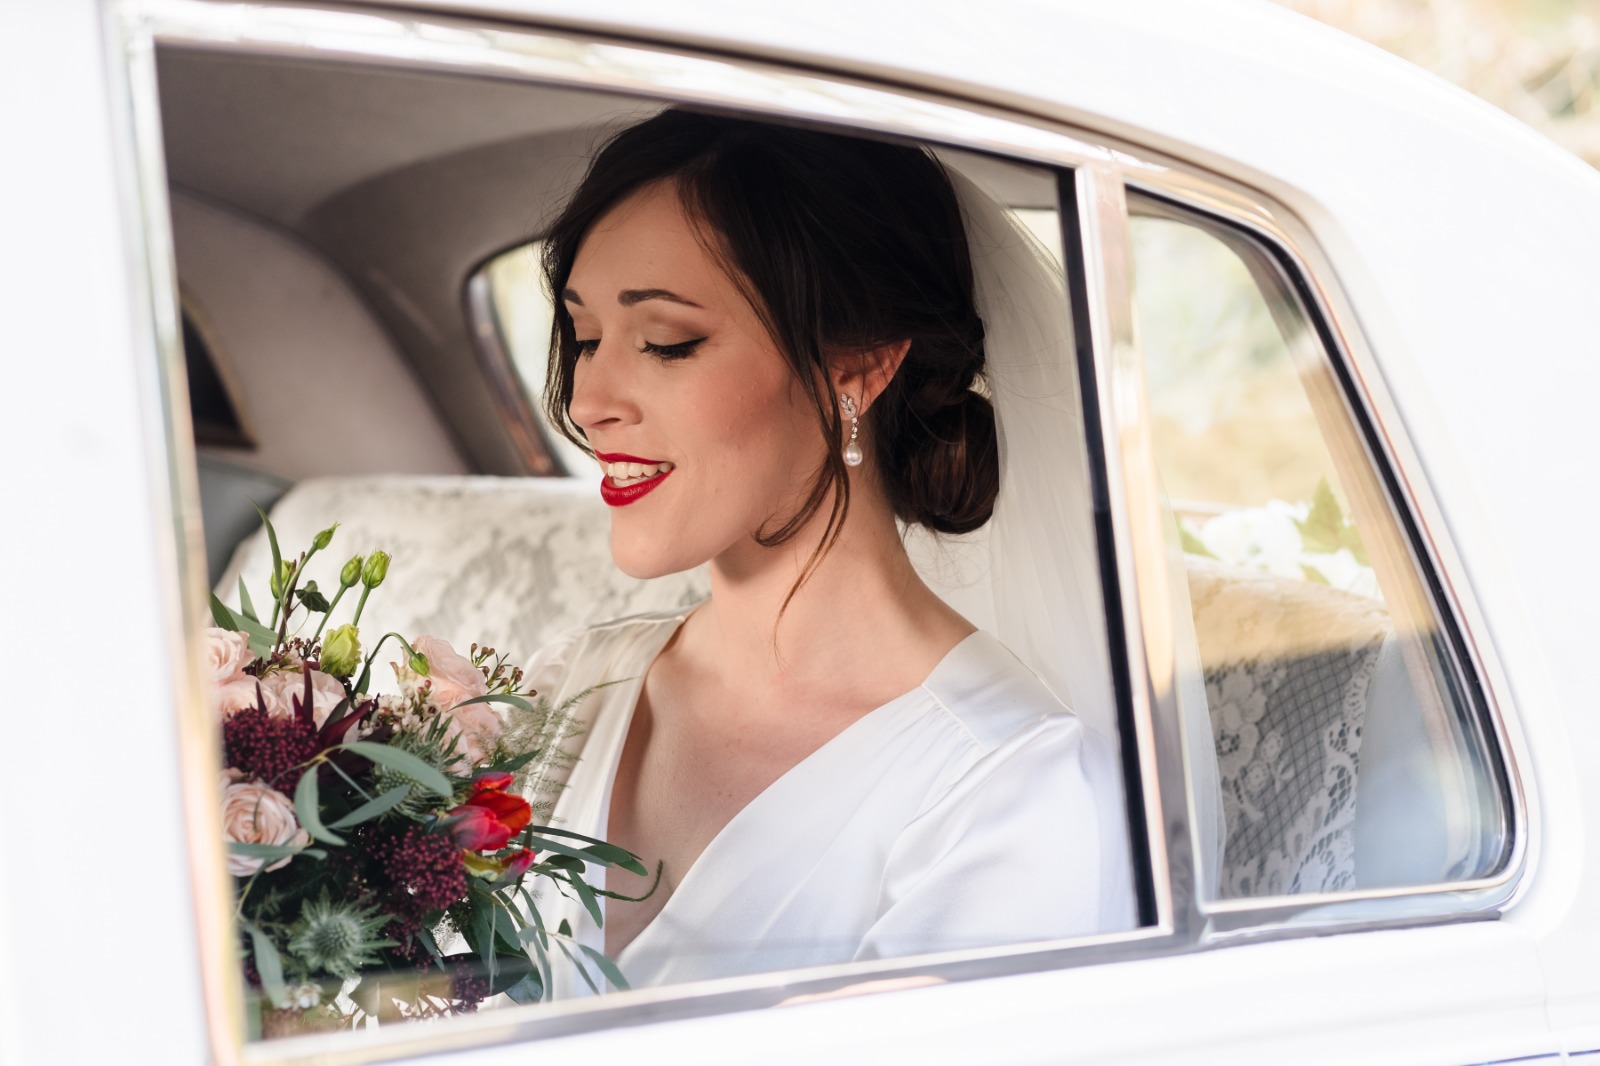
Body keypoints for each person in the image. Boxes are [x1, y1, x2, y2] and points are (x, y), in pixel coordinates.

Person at [519, 108, 1137, 996]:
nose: (588, 400)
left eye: (664, 343)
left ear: (858, 365)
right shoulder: (567, 689)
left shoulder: (1002, 795)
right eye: (583, 338)